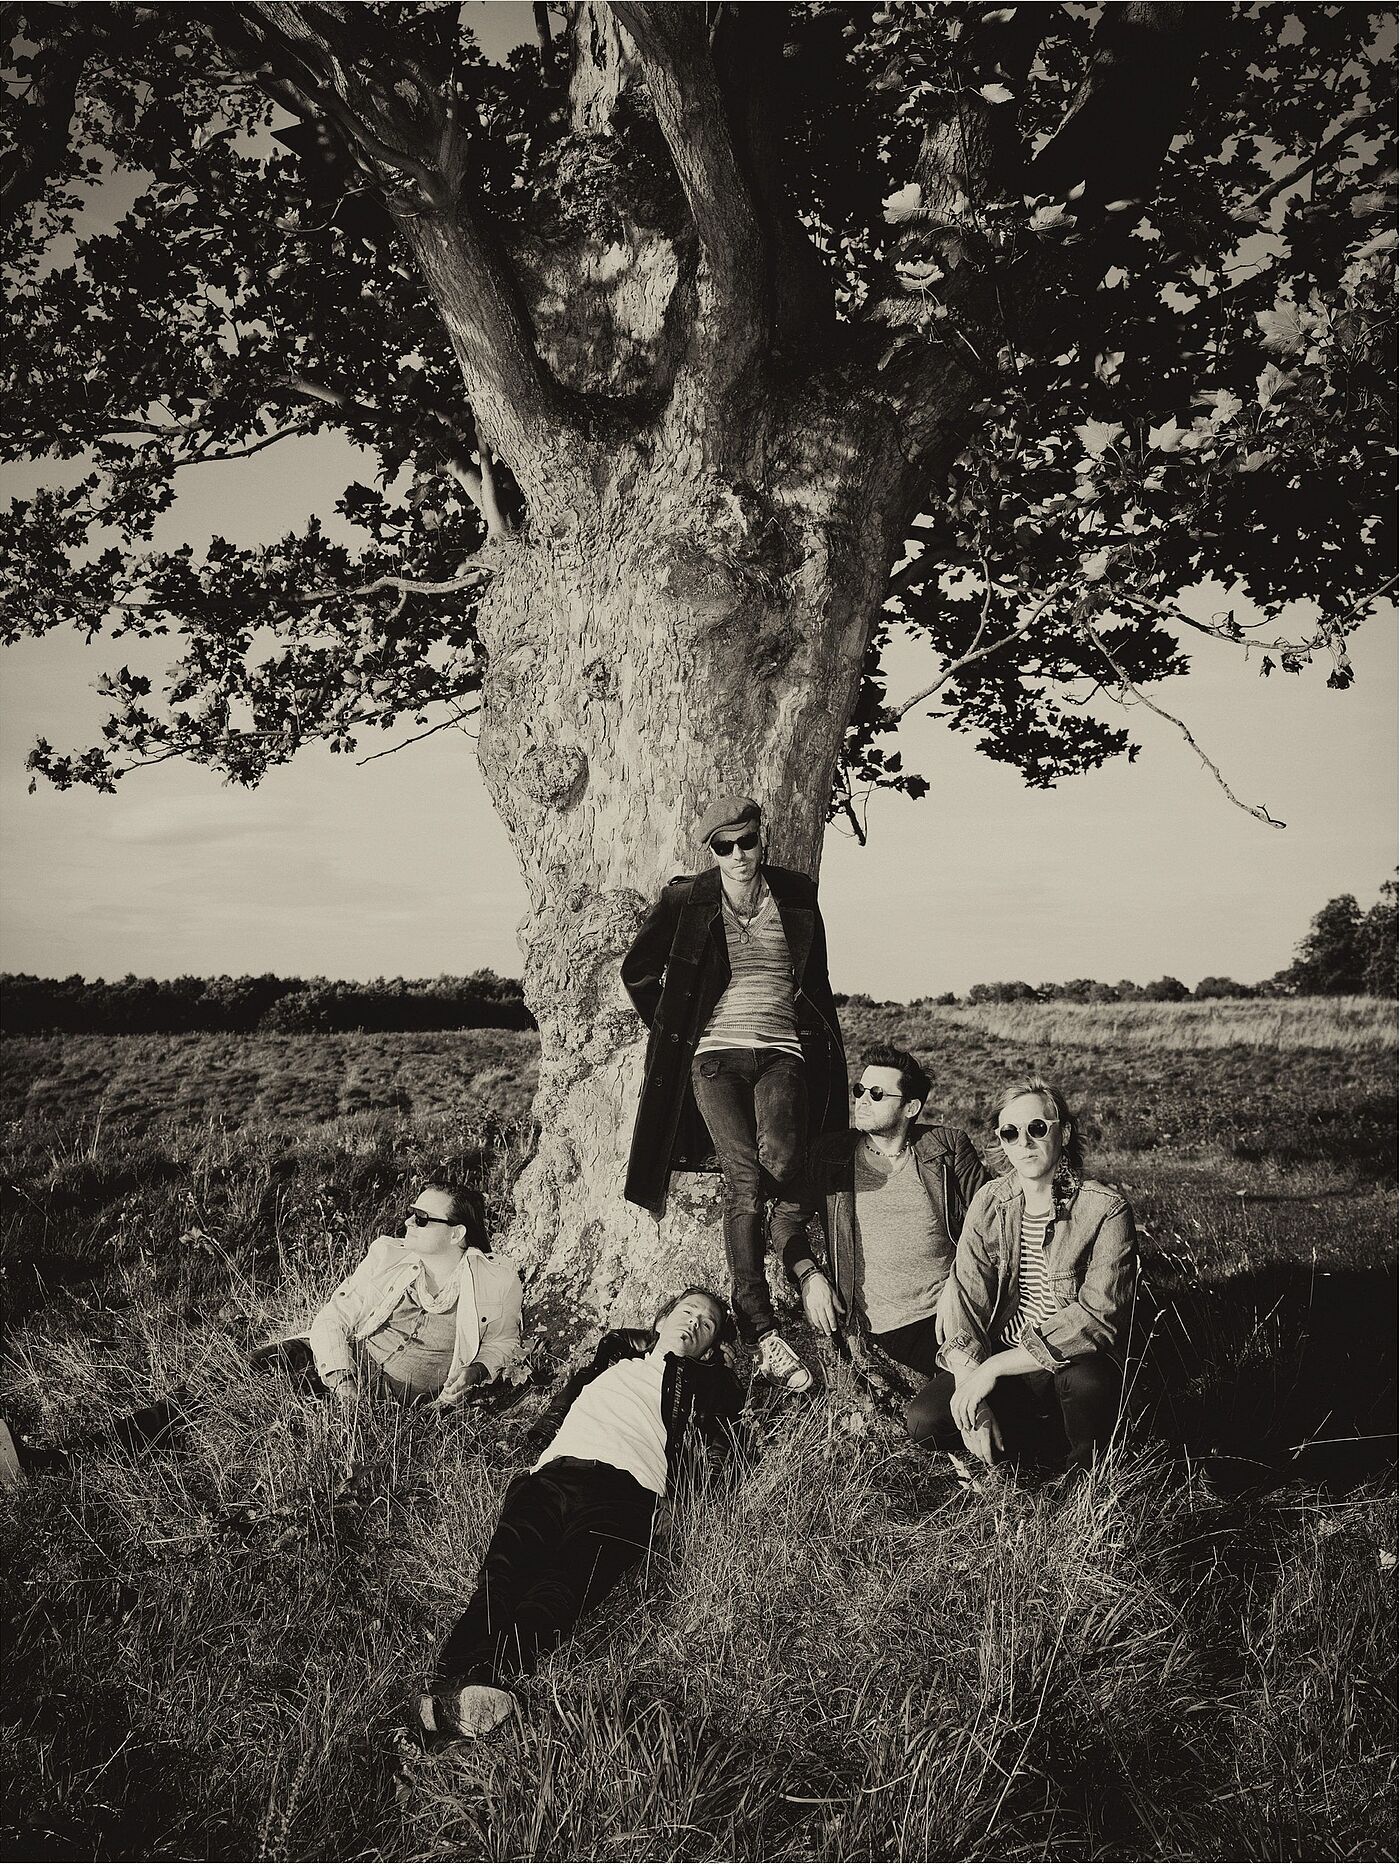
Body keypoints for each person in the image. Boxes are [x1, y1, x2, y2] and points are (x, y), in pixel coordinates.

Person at [0, 1182, 521, 1484]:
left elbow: (503, 1341)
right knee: (213, 1392)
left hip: (392, 1405)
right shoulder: (390, 1258)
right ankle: (61, 1460)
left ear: (456, 1233)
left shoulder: (494, 1281)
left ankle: (100, 1462)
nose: (407, 1222)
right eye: (409, 1213)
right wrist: (340, 1379)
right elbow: (332, 1321)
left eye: (421, 1218)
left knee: (245, 1431)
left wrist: (476, 1369)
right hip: (334, 1369)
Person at [414, 1287, 741, 1741]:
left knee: (565, 1585)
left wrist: (683, 1503)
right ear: (662, 1318)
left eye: (706, 1325)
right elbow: (572, 1392)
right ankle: (452, 1684)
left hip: (628, 1490)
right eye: (687, 1312)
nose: (693, 1324)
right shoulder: (615, 1360)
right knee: (502, 1574)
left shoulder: (711, 1386)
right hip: (552, 1474)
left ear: (710, 1348)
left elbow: (720, 1449)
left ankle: (479, 1680)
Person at [620, 794, 846, 1394]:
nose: (739, 855)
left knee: (785, 1157)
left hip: (782, 1050)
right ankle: (758, 1322)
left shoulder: (796, 894)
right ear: (711, 851)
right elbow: (636, 970)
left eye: (747, 842)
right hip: (715, 1056)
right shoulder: (687, 898)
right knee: (743, 1178)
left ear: (761, 840)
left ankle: (786, 1236)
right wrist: (675, 1024)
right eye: (725, 846)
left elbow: (816, 979)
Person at [904, 1078, 1137, 1477]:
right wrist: (969, 1382)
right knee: (925, 1419)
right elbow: (965, 1296)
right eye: (1010, 1133)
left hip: (1069, 1361)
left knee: (1088, 1387)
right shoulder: (991, 1201)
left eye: (1037, 1128)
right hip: (1005, 1359)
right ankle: (1029, 1456)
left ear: (1062, 1133)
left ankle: (1086, 1480)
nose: (1024, 1142)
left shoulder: (1105, 1208)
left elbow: (1097, 1319)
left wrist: (991, 1371)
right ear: (1001, 1141)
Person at [782, 1043, 989, 1380]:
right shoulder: (830, 1155)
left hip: (959, 1306)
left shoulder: (947, 1147)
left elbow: (991, 1221)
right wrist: (809, 1276)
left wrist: (960, 1282)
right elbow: (784, 1219)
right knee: (957, 1404)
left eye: (877, 1093)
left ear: (910, 1107)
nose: (862, 1099)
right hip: (894, 1327)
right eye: (860, 1089)